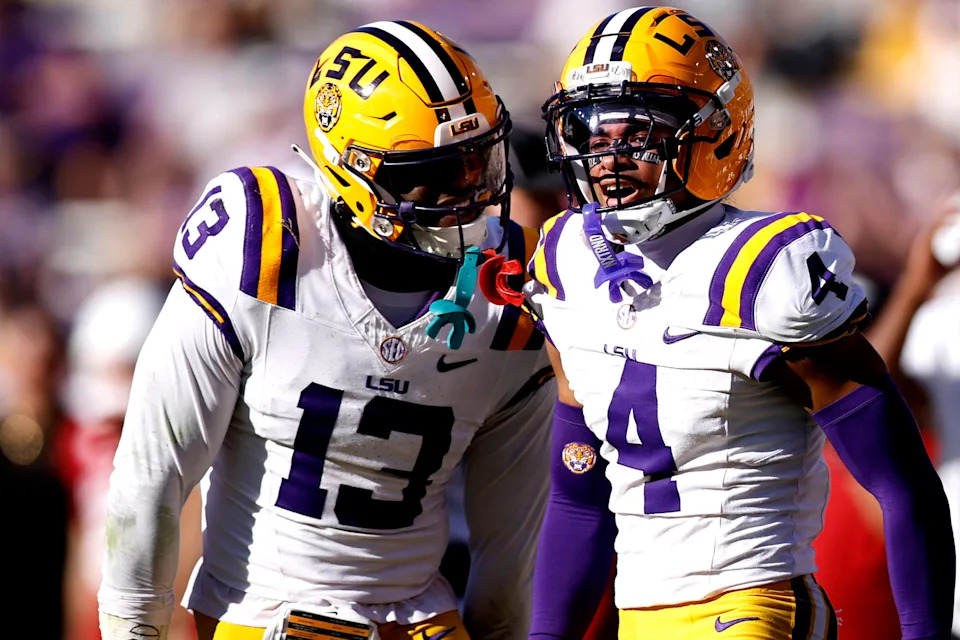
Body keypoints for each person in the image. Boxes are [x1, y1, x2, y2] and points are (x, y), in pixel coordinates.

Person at [97, 20, 554, 640]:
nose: (469, 194)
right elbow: (152, 473)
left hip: (424, 622)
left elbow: (512, 545)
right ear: (356, 173)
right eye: (436, 172)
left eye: (478, 162)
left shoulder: (516, 294)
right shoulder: (266, 249)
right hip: (266, 619)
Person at [519, 6, 954, 639]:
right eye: (591, 134)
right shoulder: (566, 263)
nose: (608, 159)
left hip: (754, 604)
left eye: (637, 133)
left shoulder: (766, 269)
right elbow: (579, 494)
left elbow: (901, 482)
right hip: (637, 617)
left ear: (715, 134)